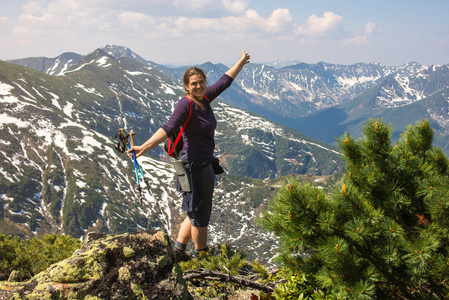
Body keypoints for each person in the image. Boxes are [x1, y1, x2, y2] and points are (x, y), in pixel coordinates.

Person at [128, 50, 251, 261]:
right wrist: (144, 148)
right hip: (194, 166)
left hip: (201, 165)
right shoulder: (186, 104)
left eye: (201, 82)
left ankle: (178, 251)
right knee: (201, 216)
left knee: (193, 212)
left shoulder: (204, 98)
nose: (198, 86)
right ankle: (202, 259)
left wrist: (240, 62)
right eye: (193, 83)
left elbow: (225, 81)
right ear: (186, 86)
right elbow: (168, 127)